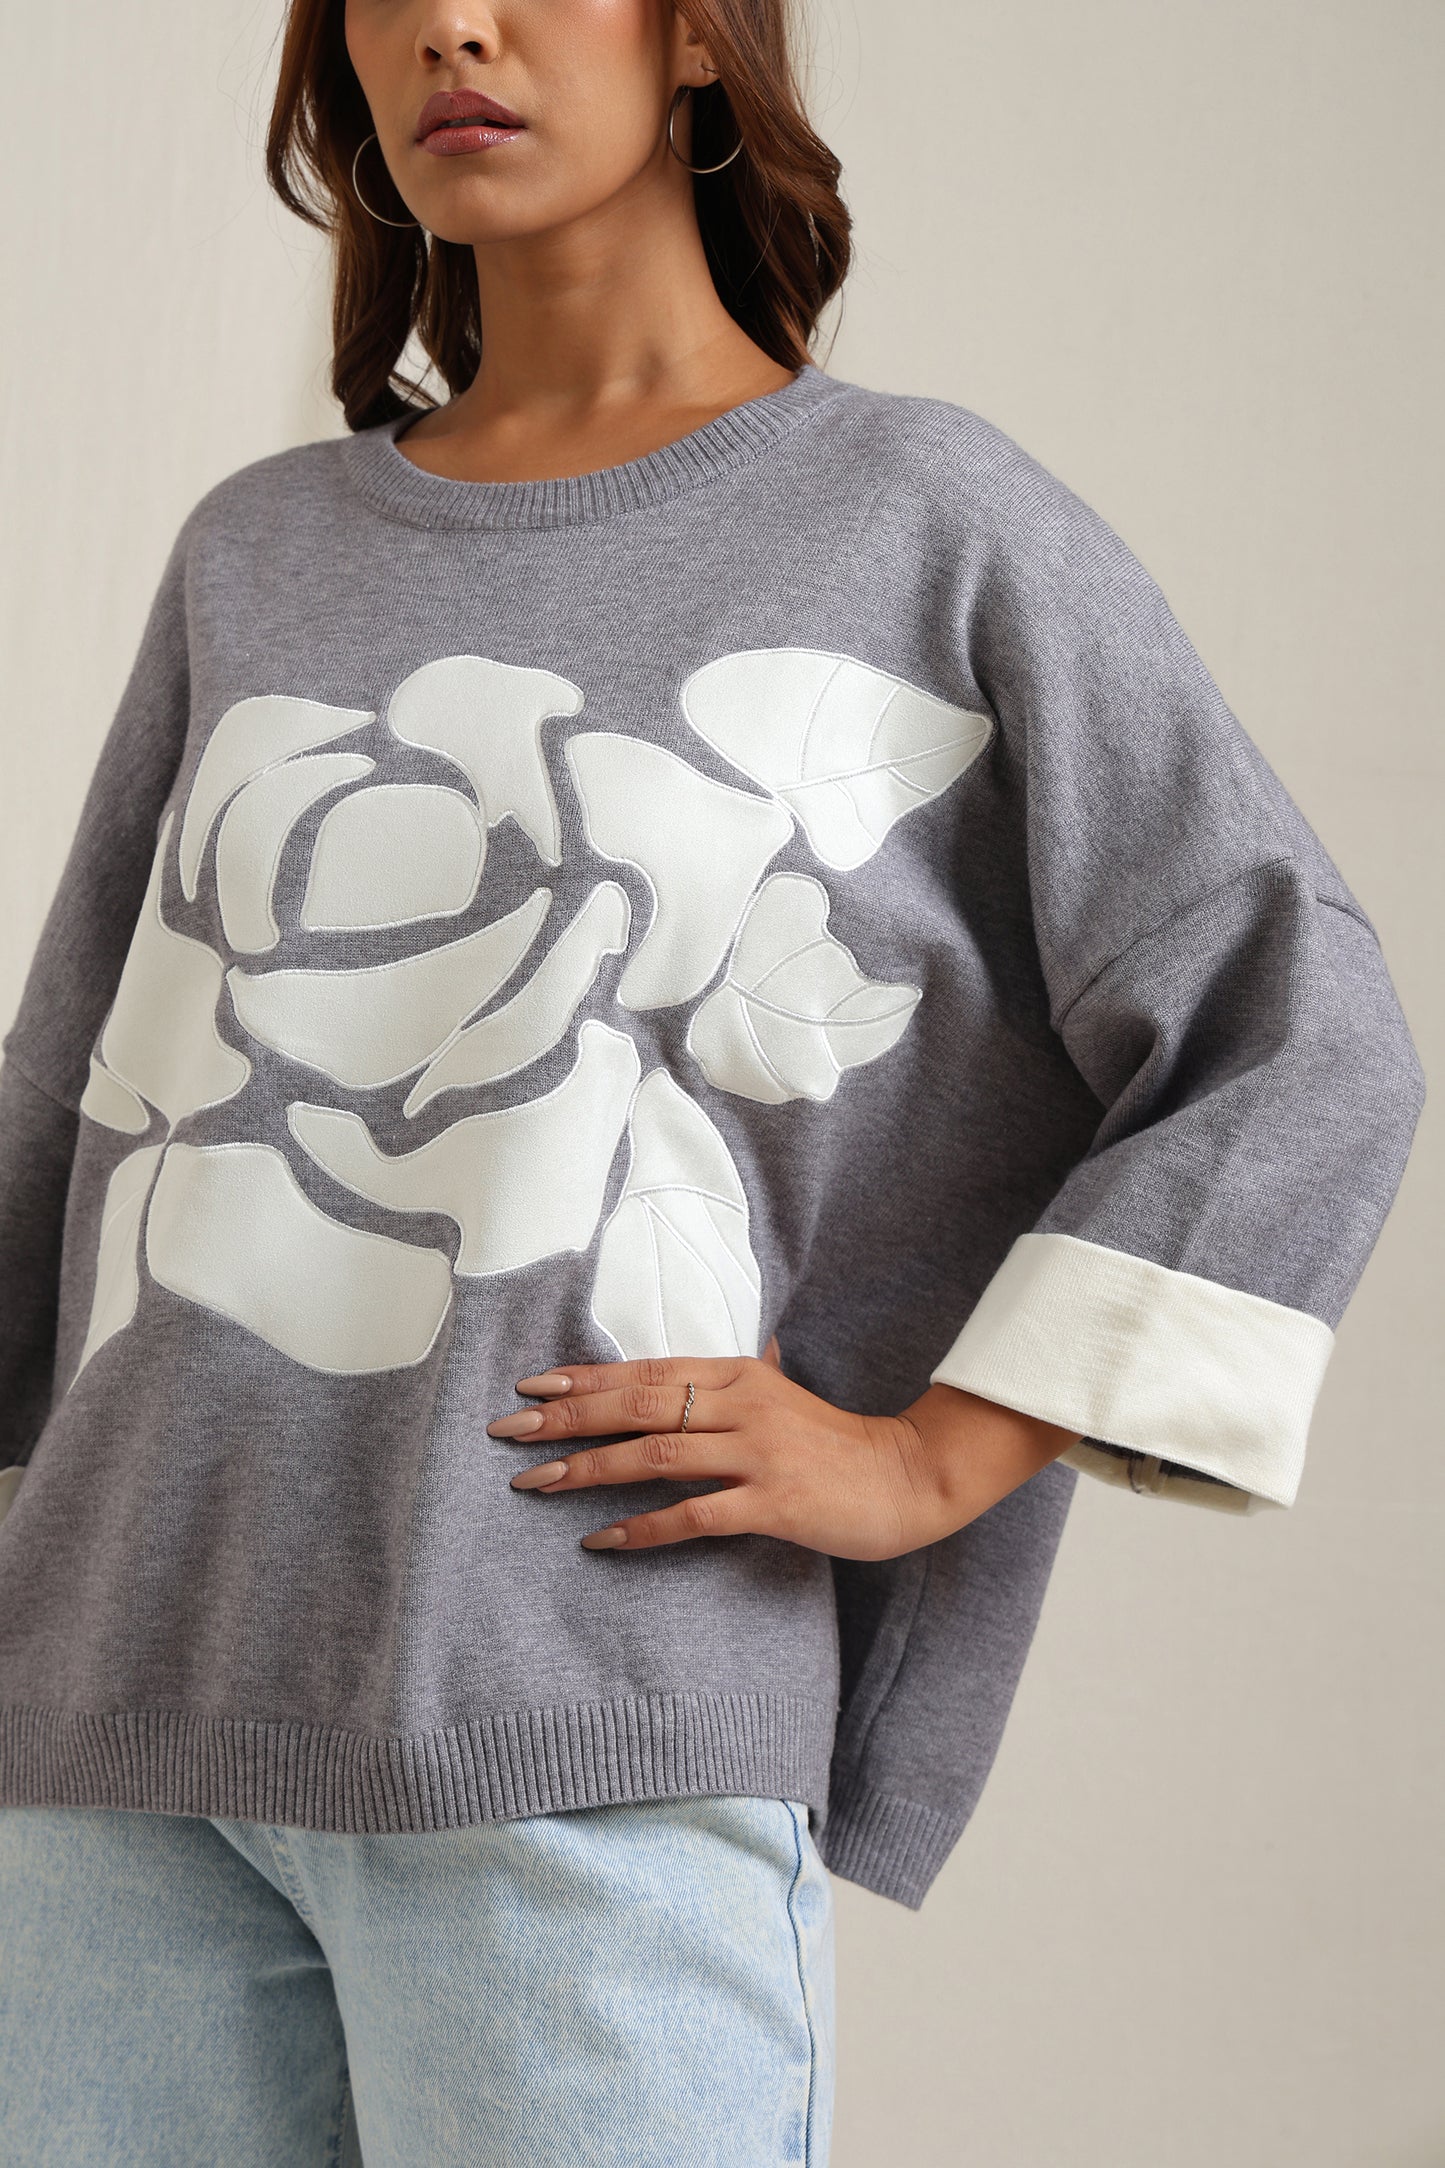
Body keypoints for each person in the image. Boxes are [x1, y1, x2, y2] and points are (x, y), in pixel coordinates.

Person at [0, 0, 1425, 2161]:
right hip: (105, 1743)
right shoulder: (255, 548)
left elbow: (1291, 1015)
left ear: (696, 38)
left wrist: (932, 1456)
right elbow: (83, 1092)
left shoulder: (923, 518)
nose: (451, 25)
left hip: (582, 1738)